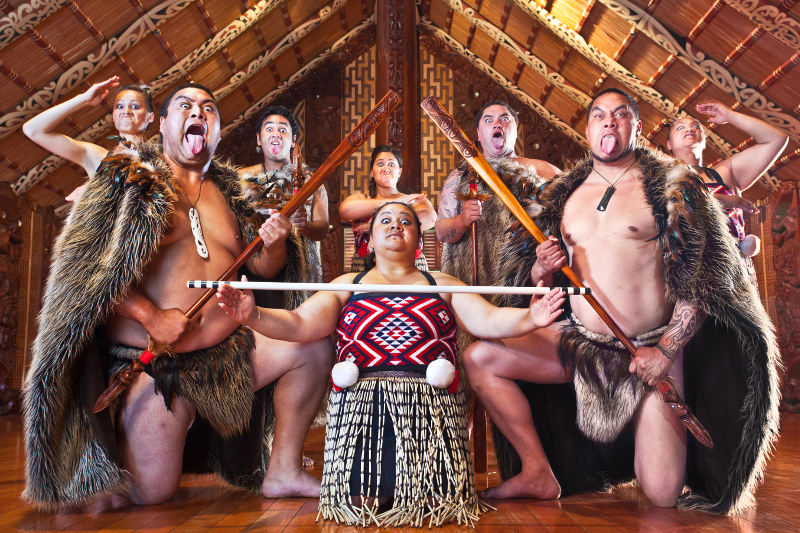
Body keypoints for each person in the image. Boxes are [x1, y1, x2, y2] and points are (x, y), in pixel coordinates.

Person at [463, 88, 780, 514]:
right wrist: (541, 268)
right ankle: (538, 471)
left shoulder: (673, 185)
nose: (608, 122)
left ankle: (657, 440)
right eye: (599, 115)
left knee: (662, 493)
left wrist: (666, 351)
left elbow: (703, 280)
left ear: (638, 127)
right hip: (580, 345)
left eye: (620, 114)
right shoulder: (560, 195)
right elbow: (538, 283)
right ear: (589, 127)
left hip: (648, 351)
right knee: (480, 358)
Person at [22, 83, 332, 512]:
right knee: (152, 493)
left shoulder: (234, 193)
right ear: (163, 124)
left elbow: (261, 271)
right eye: (185, 106)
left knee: (312, 344)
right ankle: (109, 461)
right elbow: (86, 270)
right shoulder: (126, 176)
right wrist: (150, 316)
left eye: (208, 108)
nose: (198, 112)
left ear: (217, 131)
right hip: (155, 363)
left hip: (230, 354)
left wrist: (276, 244)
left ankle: (283, 469)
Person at [215, 201, 565, 527]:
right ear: (368, 237)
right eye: (386, 220)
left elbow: (489, 320)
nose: (396, 225)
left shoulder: (443, 283)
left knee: (434, 503)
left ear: (418, 239)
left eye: (405, 222)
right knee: (363, 500)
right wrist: (254, 315)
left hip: (430, 411)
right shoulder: (346, 285)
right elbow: (300, 324)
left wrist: (530, 318)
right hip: (363, 412)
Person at [667, 103, 787, 280]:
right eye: (681, 127)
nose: (689, 129)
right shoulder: (663, 183)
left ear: (705, 141)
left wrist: (730, 116)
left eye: (695, 126)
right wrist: (723, 201)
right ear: (669, 144)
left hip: (735, 274)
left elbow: (777, 139)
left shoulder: (725, 172)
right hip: (691, 275)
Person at [22, 75, 154, 202]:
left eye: (135, 106)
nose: (126, 110)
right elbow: (32, 130)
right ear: (113, 116)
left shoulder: (162, 159)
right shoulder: (96, 156)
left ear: (150, 117)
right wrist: (84, 99)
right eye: (120, 106)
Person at [339, 145, 436, 271]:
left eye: (391, 164)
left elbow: (430, 218)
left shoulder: (415, 200)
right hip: (365, 267)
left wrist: (375, 226)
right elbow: (345, 211)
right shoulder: (361, 199)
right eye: (380, 164)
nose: (386, 168)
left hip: (410, 266)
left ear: (399, 171)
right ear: (372, 172)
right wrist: (395, 201)